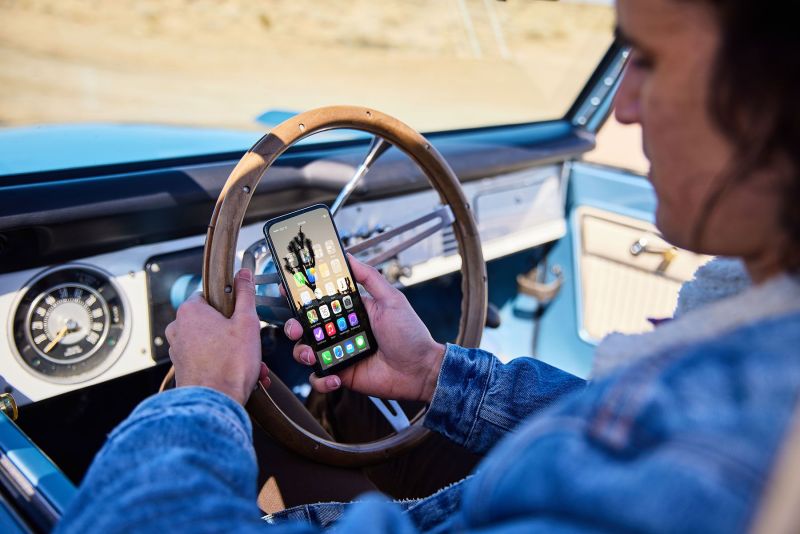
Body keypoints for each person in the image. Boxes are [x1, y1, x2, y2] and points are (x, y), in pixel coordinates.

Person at [56, 0, 800, 532]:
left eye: (650, 58)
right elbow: (609, 423)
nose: (624, 108)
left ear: (778, 94)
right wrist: (436, 372)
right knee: (343, 410)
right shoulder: (753, 349)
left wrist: (206, 395)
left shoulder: (737, 446)